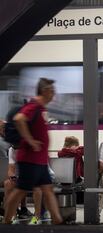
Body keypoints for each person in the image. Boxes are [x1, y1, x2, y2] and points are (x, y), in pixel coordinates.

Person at [3, 78, 62, 224]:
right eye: (52, 91)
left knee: (47, 190)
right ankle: (6, 222)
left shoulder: (41, 108)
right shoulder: (34, 106)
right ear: (44, 91)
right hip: (30, 159)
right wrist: (30, 141)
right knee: (20, 191)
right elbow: (19, 119)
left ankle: (57, 221)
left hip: (39, 160)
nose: (54, 95)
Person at [4, 147, 42, 224]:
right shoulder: (12, 149)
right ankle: (13, 216)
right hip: (24, 175)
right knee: (8, 183)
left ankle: (37, 217)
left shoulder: (31, 147)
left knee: (37, 186)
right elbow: (11, 169)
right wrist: (12, 177)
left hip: (41, 173)